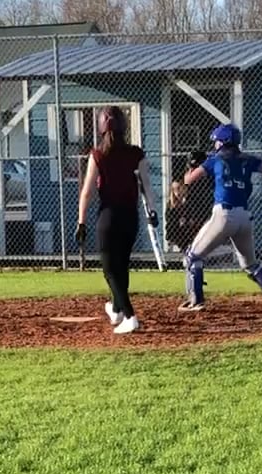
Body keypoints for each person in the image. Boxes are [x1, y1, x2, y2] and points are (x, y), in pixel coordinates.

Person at [176, 124, 262, 312]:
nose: (215, 145)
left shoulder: (215, 160)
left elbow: (188, 180)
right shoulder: (247, 159)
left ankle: (196, 301)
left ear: (223, 142)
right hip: (244, 217)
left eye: (217, 141)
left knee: (192, 257)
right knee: (251, 265)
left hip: (223, 215)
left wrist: (192, 165)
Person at [74, 105, 159, 335]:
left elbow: (87, 192)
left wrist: (81, 221)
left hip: (109, 217)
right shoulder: (136, 153)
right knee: (121, 266)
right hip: (131, 217)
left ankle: (130, 317)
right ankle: (117, 309)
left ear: (101, 127)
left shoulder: (98, 154)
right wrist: (152, 211)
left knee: (110, 269)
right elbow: (147, 186)